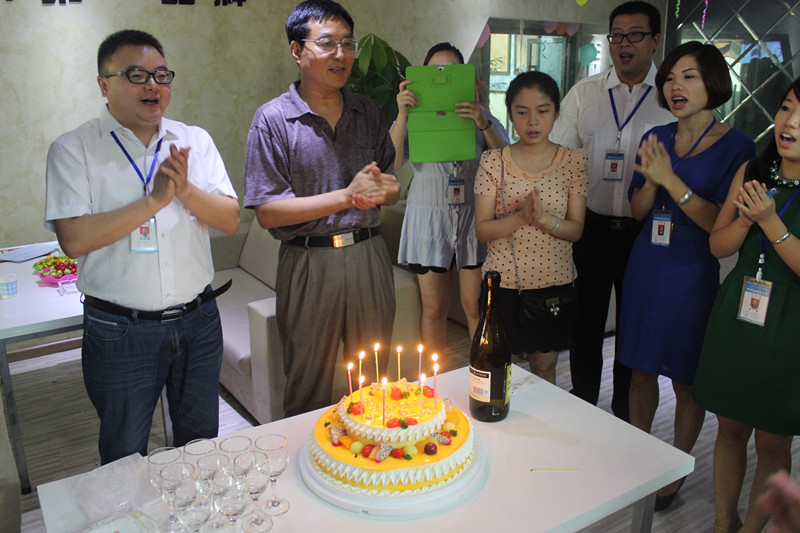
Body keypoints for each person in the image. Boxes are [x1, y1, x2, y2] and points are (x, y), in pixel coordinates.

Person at [44, 30, 240, 464]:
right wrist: (153, 202)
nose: (153, 85)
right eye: (136, 75)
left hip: (199, 321)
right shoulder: (74, 149)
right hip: (120, 331)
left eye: (161, 75)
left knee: (200, 444)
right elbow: (73, 240)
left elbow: (229, 220)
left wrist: (184, 190)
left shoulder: (193, 141)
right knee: (124, 453)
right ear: (104, 85)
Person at [244, 0, 400, 417]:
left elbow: (388, 185)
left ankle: (369, 454)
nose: (341, 54)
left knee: (373, 384)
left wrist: (384, 191)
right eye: (328, 43)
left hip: (368, 254)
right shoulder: (273, 120)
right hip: (308, 262)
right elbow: (268, 212)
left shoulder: (367, 111)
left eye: (348, 44)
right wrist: (348, 195)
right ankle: (307, 457)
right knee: (308, 384)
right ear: (297, 50)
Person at [617, 41, 755, 511]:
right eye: (670, 78)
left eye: (689, 76)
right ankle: (638, 455)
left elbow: (719, 223)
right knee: (639, 369)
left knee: (685, 379)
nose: (676, 86)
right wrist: (652, 179)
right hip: (646, 265)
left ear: (712, 82)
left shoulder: (739, 147)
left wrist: (671, 179)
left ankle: (674, 468)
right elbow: (638, 209)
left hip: (693, 271)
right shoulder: (656, 135)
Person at [549, 0, 673, 421]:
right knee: (585, 321)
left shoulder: (670, 97)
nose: (624, 44)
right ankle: (584, 402)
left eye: (635, 35)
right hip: (591, 227)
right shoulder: (585, 93)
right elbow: (557, 156)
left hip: (646, 231)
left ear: (654, 40)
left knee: (632, 326)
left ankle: (624, 412)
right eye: (617, 35)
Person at [693, 76, 800, 533]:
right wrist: (744, 221)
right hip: (738, 313)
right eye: (787, 107)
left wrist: (771, 222)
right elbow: (718, 245)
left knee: (773, 443)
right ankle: (724, 522)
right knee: (729, 429)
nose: (790, 122)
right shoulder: (753, 170)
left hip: (789, 325)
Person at [390, 42, 509, 355]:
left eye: (453, 70)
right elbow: (392, 162)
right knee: (434, 308)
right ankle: (435, 379)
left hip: (472, 220)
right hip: (428, 221)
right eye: (436, 70)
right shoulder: (413, 116)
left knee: (476, 307)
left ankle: (481, 374)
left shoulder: (480, 115)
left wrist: (482, 120)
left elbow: (507, 161)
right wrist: (402, 113)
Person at [474, 71, 587, 383]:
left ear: (557, 113)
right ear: (510, 114)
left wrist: (543, 219)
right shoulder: (493, 161)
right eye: (522, 112)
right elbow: (482, 230)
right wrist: (520, 218)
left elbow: (576, 231)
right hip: (503, 286)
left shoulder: (573, 161)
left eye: (542, 111)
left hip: (554, 285)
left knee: (545, 369)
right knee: (497, 370)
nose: (532, 121)